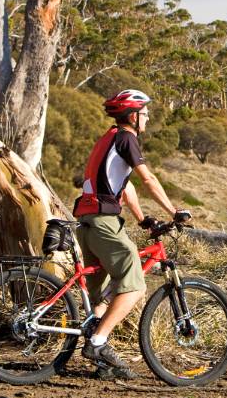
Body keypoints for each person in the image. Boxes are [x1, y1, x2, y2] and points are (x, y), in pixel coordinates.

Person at [72, 89, 191, 379]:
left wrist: (142, 220)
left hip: (87, 221)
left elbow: (123, 186)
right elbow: (146, 179)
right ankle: (98, 344)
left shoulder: (108, 139)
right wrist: (173, 210)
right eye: (145, 113)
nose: (148, 118)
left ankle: (103, 362)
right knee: (136, 286)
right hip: (103, 221)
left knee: (102, 296)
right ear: (133, 116)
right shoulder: (127, 138)